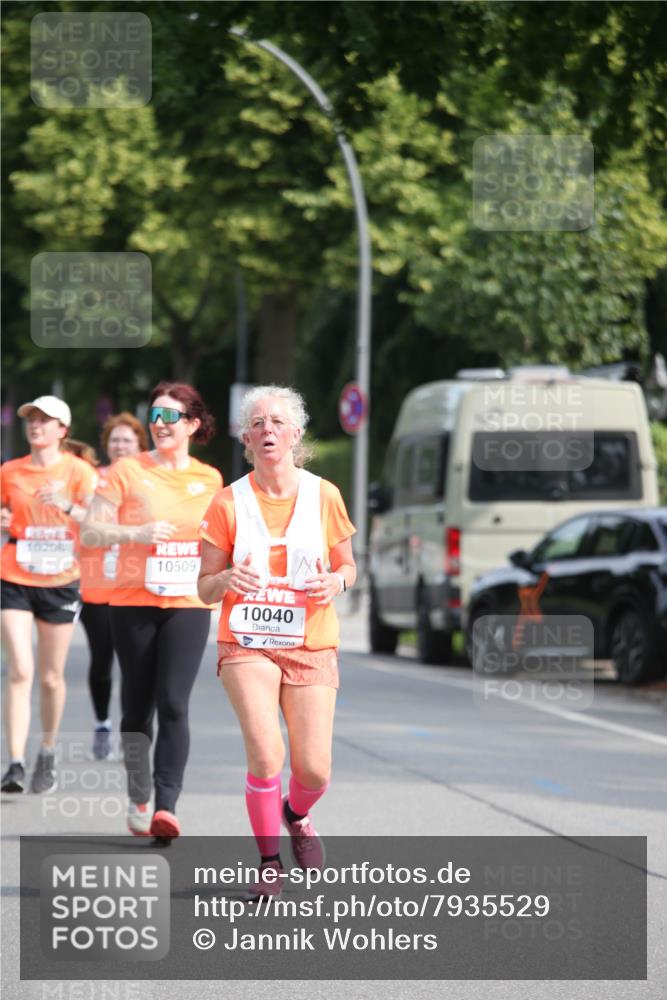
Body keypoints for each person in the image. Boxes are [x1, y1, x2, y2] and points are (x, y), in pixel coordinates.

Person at [198, 385, 356, 898]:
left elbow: (348, 566)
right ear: (246, 437)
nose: (268, 429)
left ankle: (296, 814)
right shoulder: (228, 502)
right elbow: (203, 588)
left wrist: (336, 583)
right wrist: (226, 582)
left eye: (278, 422)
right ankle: (269, 862)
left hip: (311, 641)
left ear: (296, 434)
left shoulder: (324, 494)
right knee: (266, 755)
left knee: (314, 769)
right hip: (247, 640)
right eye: (258, 423)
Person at [84, 383, 221, 839]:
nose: (160, 425)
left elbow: (220, 542)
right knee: (137, 709)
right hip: (132, 602)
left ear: (193, 425)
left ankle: (166, 807)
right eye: (154, 416)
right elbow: (91, 531)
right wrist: (136, 532)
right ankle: (139, 793)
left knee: (174, 703)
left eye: (170, 417)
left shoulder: (210, 478)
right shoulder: (126, 471)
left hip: (187, 602)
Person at [1, 396, 97, 794]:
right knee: (21, 669)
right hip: (14, 575)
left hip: (60, 579)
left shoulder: (79, 472)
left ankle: (48, 749)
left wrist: (66, 505)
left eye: (46, 420)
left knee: (52, 677)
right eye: (31, 420)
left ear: (63, 430)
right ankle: (15, 763)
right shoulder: (9, 471)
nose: (36, 426)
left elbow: (100, 524)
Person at [78, 414, 147, 760]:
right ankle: (102, 722)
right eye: (115, 441)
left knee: (134, 665)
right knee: (102, 661)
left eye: (127, 441)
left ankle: (130, 731)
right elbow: (80, 521)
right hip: (98, 585)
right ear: (106, 446)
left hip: (137, 584)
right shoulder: (95, 481)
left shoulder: (150, 480)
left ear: (140, 447)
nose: (120, 446)